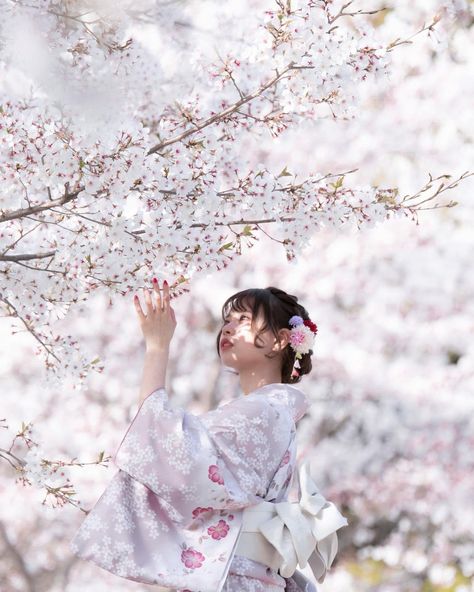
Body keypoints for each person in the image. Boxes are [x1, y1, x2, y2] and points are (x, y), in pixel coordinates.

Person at [70, 280, 348, 592]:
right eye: (227, 321)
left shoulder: (264, 412)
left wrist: (158, 347)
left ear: (280, 340)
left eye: (243, 320)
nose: (228, 328)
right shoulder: (264, 411)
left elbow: (170, 448)